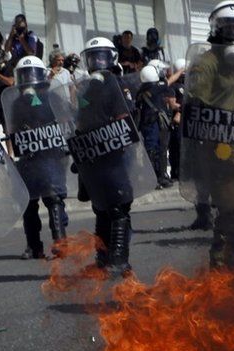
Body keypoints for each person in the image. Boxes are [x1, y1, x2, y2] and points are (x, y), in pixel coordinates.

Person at [181, 0, 234, 267]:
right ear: (216, 29)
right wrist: (228, 113)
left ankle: (233, 259)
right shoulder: (204, 64)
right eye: (228, 27)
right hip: (213, 147)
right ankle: (223, 263)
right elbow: (196, 105)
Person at [75, 36, 147, 276]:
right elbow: (80, 121)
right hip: (94, 157)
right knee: (101, 206)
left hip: (115, 155)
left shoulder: (118, 84)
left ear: (112, 58)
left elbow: (124, 118)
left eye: (102, 57)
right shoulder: (85, 88)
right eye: (93, 57)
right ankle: (103, 257)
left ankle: (119, 258)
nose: (97, 62)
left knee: (118, 206)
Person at [3, 56, 69, 259]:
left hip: (50, 155)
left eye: (31, 74)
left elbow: (65, 120)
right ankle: (34, 245)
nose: (28, 78)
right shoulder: (16, 103)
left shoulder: (52, 97)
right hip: (28, 158)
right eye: (24, 74)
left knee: (54, 197)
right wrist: (11, 156)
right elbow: (12, 130)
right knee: (28, 203)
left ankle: (60, 241)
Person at [136, 65, 174, 189]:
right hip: (153, 125)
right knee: (157, 150)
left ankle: (155, 178)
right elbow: (168, 81)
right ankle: (159, 177)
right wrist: (180, 71)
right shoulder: (157, 87)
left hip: (146, 125)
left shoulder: (140, 90)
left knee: (152, 150)